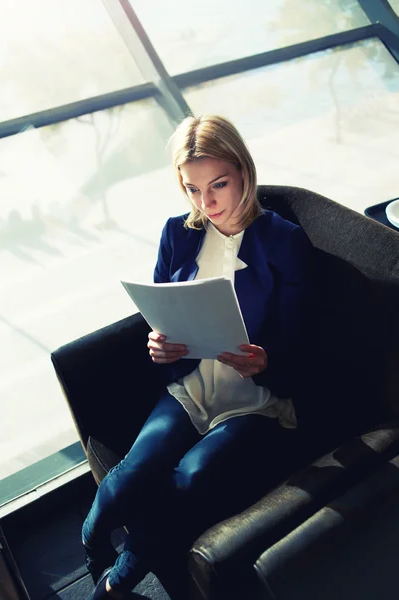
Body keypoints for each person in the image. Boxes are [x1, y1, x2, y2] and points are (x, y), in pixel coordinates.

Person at [83, 114, 314, 600]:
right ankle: (91, 541)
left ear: (243, 172)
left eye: (218, 185)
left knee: (191, 476)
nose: (206, 204)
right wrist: (159, 344)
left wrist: (266, 361)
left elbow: (298, 340)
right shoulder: (178, 233)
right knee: (125, 483)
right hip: (191, 384)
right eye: (191, 189)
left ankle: (117, 578)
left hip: (254, 396)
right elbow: (164, 312)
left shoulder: (283, 242)